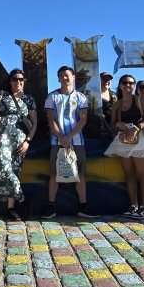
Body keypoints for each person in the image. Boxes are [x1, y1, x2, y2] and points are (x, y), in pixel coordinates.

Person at [41, 66, 98, 219]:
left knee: (80, 174)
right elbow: (51, 119)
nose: (65, 78)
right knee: (54, 173)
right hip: (56, 141)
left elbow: (83, 119)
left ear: (73, 77)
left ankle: (83, 207)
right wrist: (61, 137)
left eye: (67, 75)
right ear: (58, 78)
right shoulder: (52, 97)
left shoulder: (81, 97)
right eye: (61, 76)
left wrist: (69, 136)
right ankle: (51, 207)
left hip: (77, 141)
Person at [0, 68, 38, 221]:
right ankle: (22, 198)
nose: (18, 82)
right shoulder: (1, 95)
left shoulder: (29, 99)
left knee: (14, 171)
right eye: (15, 79)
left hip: (20, 141)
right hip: (2, 138)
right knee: (4, 168)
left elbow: (34, 124)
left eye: (21, 79)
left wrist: (28, 141)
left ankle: (11, 208)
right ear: (10, 81)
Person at [104, 75, 144, 219]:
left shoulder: (141, 100)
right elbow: (113, 123)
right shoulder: (117, 104)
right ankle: (134, 206)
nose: (128, 85)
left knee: (142, 173)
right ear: (120, 85)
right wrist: (118, 124)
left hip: (140, 140)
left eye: (131, 83)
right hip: (123, 140)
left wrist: (137, 127)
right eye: (125, 83)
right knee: (129, 174)